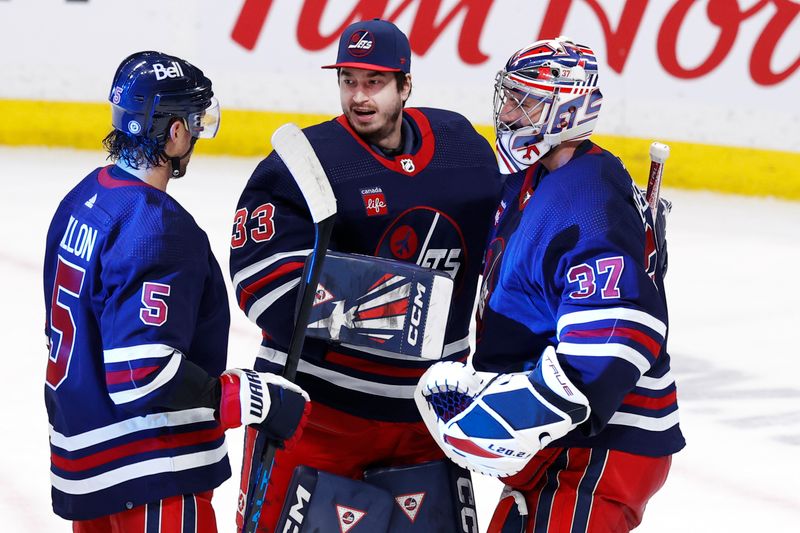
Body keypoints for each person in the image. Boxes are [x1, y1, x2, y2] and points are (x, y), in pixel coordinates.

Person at [229, 18, 502, 531]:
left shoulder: (464, 151)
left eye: (373, 81)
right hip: (320, 413)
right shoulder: (302, 163)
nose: (358, 96)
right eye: (348, 80)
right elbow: (258, 280)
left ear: (405, 85)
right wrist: (377, 305)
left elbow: (516, 239)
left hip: (428, 416)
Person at [416, 37, 686, 532]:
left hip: (603, 445)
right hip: (561, 443)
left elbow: (617, 336)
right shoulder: (536, 178)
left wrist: (508, 416)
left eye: (526, 101)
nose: (511, 112)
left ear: (567, 112)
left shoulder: (590, 202)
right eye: (511, 97)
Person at [42, 51, 309, 532]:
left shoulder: (82, 198)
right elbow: (142, 373)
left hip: (89, 464)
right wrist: (242, 395)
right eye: (193, 118)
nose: (197, 132)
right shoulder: (156, 226)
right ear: (175, 132)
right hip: (150, 473)